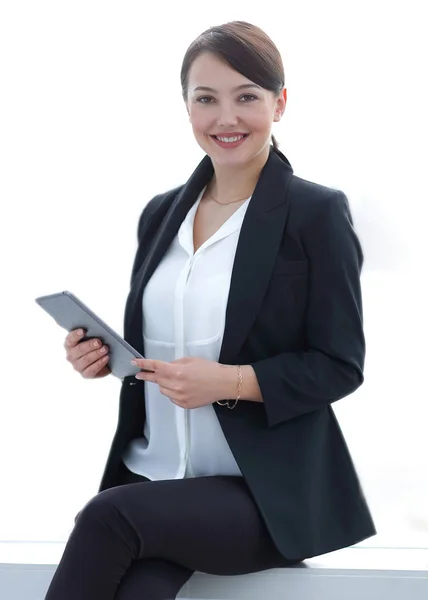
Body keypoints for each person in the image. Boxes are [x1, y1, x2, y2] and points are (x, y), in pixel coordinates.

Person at [45, 20, 376, 600]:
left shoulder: (315, 214)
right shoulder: (160, 214)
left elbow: (340, 365)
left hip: (260, 492)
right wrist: (104, 358)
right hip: (157, 482)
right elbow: (160, 349)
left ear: (280, 103)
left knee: (105, 516)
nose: (226, 118)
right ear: (187, 109)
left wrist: (231, 382)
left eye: (247, 96)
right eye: (206, 99)